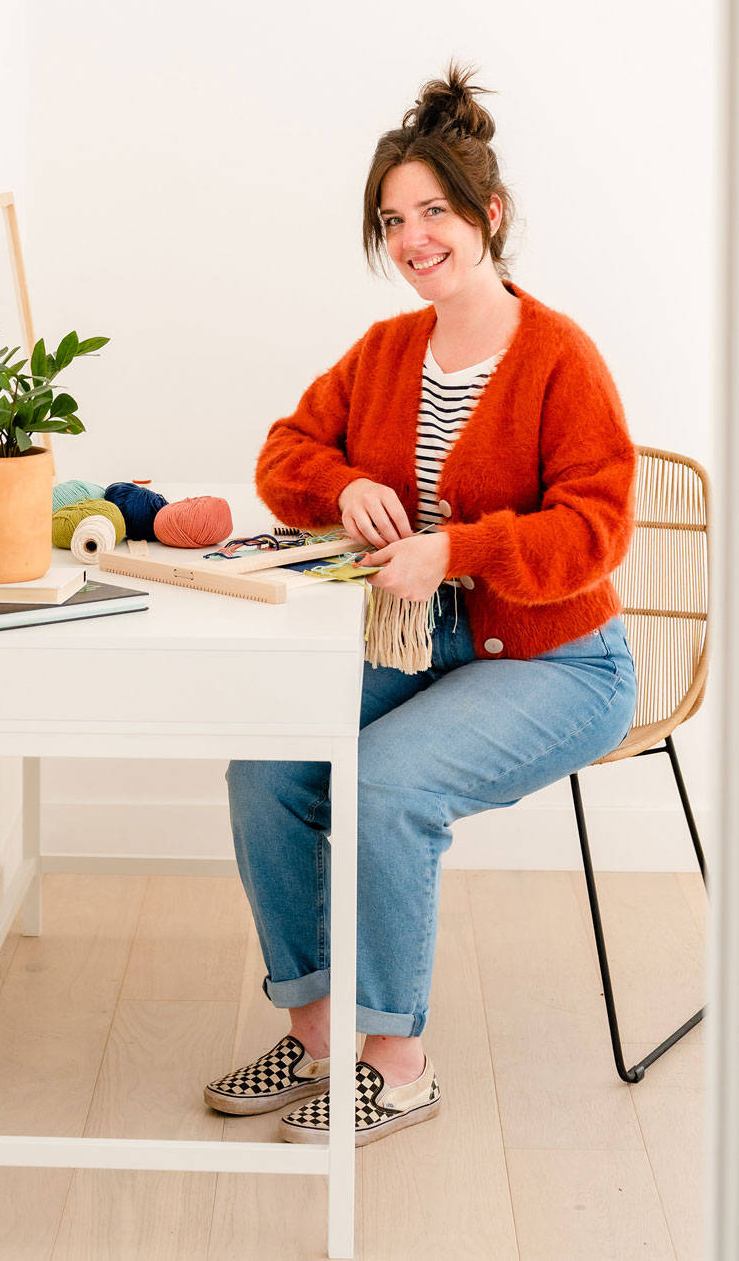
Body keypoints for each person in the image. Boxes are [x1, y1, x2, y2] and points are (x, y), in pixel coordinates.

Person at [203, 63, 639, 1148]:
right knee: (267, 765)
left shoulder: (558, 359)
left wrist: (458, 549)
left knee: (387, 786)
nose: (411, 239)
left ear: (487, 214)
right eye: (392, 220)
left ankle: (395, 1065)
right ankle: (312, 1035)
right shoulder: (388, 350)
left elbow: (598, 531)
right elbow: (285, 451)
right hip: (428, 647)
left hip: (559, 664)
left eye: (432, 212)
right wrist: (341, 484)